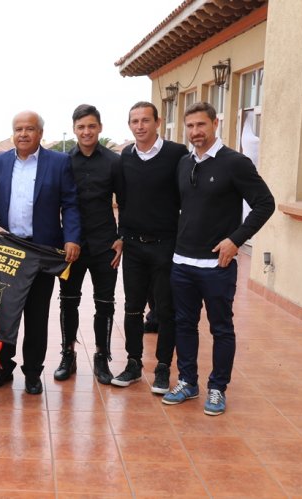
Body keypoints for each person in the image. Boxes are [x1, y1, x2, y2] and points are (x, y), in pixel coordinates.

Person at [163, 102, 274, 415]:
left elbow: (265, 203)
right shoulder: (185, 164)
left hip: (217, 266)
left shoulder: (235, 163)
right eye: (191, 126)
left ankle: (217, 388)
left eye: (201, 125)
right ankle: (187, 381)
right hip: (182, 262)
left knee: (221, 328)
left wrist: (236, 240)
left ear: (214, 124)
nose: (196, 132)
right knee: (184, 325)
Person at [0, 110, 81, 395]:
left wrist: (72, 238)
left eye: (29, 129)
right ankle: (2, 368)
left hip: (41, 251)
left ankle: (33, 372)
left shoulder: (59, 162)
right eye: (18, 129)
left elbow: (70, 203)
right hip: (7, 250)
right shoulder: (0, 161)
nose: (23, 134)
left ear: (41, 133)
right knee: (4, 314)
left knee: (37, 316)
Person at [113, 101, 188, 394]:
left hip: (167, 246)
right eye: (134, 121)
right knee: (132, 308)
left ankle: (162, 368)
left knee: (165, 310)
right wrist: (121, 235)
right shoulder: (125, 157)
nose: (140, 126)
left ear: (158, 122)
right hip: (134, 246)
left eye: (145, 120)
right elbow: (123, 199)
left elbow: (187, 197)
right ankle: (133, 364)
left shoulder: (177, 155)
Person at [54, 105, 122, 384]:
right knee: (68, 302)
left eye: (91, 126)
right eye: (81, 127)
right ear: (74, 129)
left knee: (105, 303)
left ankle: (101, 356)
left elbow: (126, 201)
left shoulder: (114, 162)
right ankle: (67, 354)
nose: (86, 132)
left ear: (100, 128)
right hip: (71, 246)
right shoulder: (63, 161)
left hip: (106, 243)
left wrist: (122, 237)